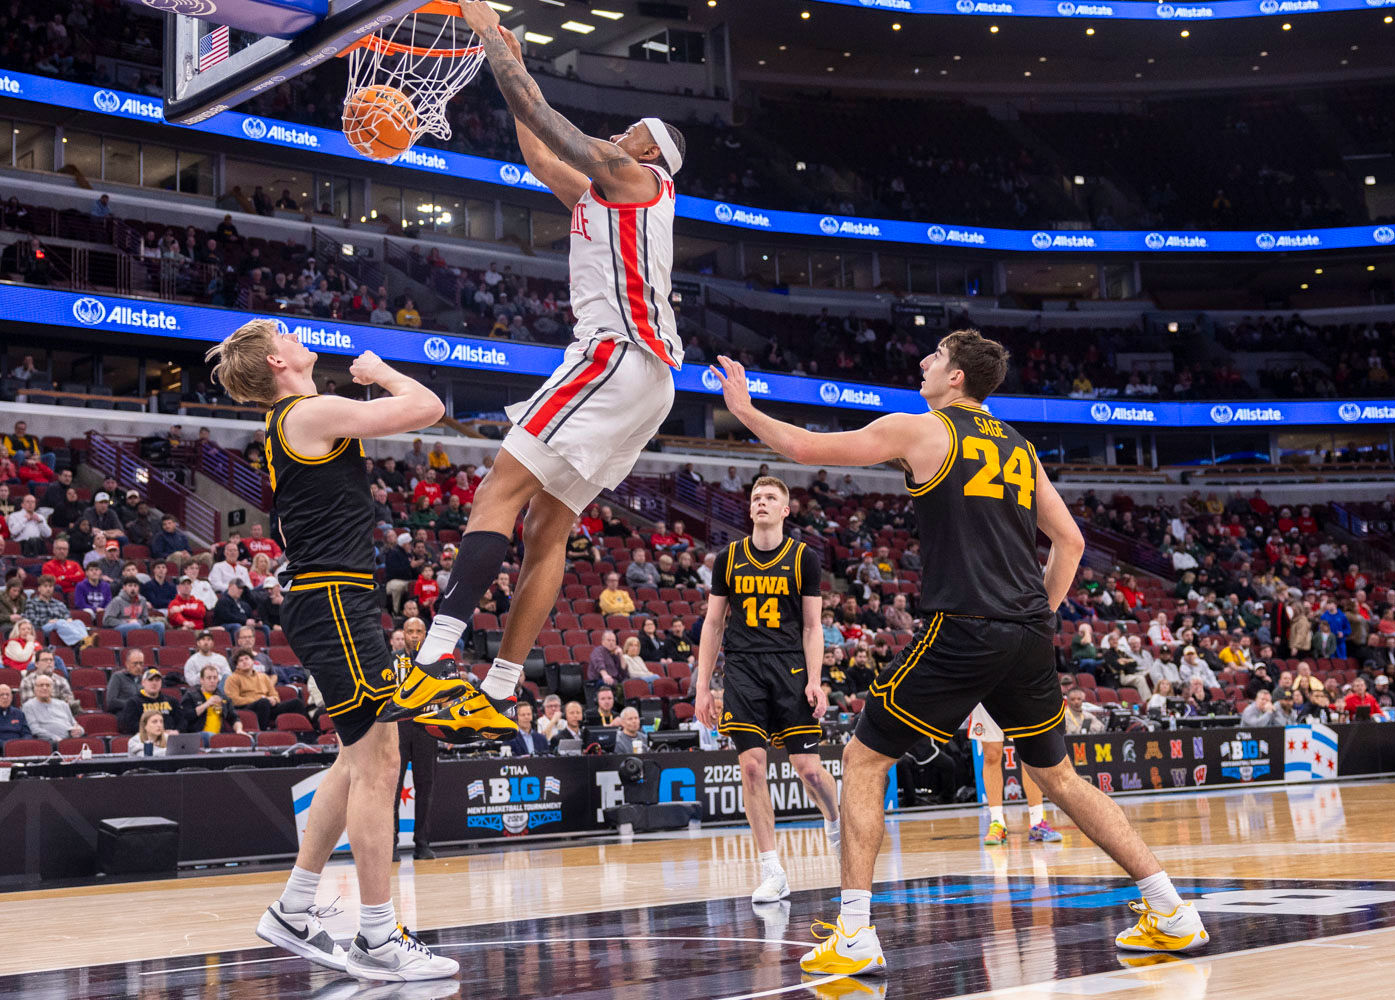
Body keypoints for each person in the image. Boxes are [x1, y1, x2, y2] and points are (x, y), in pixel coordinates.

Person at [712, 332, 1207, 976]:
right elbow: (1072, 544)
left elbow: (804, 447)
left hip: (966, 626)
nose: (922, 362)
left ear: (956, 379)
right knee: (1058, 779)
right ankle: (1172, 910)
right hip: (1026, 633)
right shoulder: (1019, 447)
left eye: (934, 357)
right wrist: (1037, 617)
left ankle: (855, 932)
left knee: (862, 759)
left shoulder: (923, 432)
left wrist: (745, 409)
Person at [392, 5, 687, 744]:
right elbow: (538, 154)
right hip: (647, 380)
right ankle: (497, 686)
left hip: (614, 355)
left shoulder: (635, 176)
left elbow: (545, 116)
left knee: (499, 490)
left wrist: (494, 38)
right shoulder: (605, 199)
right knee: (548, 528)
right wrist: (510, 60)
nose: (620, 135)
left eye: (632, 131)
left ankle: (432, 657)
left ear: (651, 151)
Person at [206, 318, 458, 980]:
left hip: (331, 601)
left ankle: (292, 909)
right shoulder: (306, 413)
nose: (295, 331)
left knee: (354, 761)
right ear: (278, 362)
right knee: (381, 761)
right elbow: (428, 408)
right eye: (283, 332)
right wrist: (382, 376)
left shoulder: (298, 418)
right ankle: (377, 935)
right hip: (335, 602)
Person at [693, 476, 840, 903]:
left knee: (809, 769)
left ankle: (834, 819)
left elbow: (813, 627)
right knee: (752, 768)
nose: (761, 502)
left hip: (791, 667)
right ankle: (772, 871)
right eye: (756, 497)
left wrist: (815, 680)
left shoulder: (804, 558)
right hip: (742, 669)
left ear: (785, 510)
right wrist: (703, 687)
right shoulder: (728, 558)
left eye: (770, 497)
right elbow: (714, 623)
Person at [969, 706, 1063, 846]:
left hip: (1017, 687)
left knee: (1029, 750)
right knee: (991, 755)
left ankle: (1037, 822)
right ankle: (997, 823)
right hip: (986, 689)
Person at [390, 616, 440, 860]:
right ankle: (391, 845)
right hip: (399, 727)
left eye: (419, 631)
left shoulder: (436, 661)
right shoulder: (392, 661)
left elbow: (447, 693)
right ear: (403, 634)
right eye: (410, 631)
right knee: (393, 788)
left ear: (425, 634)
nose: (414, 635)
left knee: (425, 787)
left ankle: (422, 843)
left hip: (427, 727)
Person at [180, 664, 244, 737]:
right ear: (201, 680)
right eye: (209, 678)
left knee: (248, 739)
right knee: (208, 735)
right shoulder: (191, 695)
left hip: (218, 736)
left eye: (215, 678)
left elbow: (234, 718)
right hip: (197, 736)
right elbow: (185, 717)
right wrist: (207, 704)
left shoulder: (223, 698)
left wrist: (239, 730)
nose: (212, 681)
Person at [117, 668, 182, 736]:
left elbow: (182, 721)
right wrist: (151, 731)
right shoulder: (133, 702)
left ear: (161, 683)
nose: (154, 683)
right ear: (143, 683)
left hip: (169, 739)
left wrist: (177, 731)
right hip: (145, 740)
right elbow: (128, 725)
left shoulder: (172, 701)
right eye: (150, 680)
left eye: (157, 680)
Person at [22, 673, 82, 742]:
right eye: (41, 685)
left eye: (48, 685)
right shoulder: (28, 706)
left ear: (52, 688)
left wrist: (80, 730)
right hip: (50, 742)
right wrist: (55, 738)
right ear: (35, 688)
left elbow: (74, 723)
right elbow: (34, 729)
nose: (44, 688)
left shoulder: (63, 704)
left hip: (71, 739)